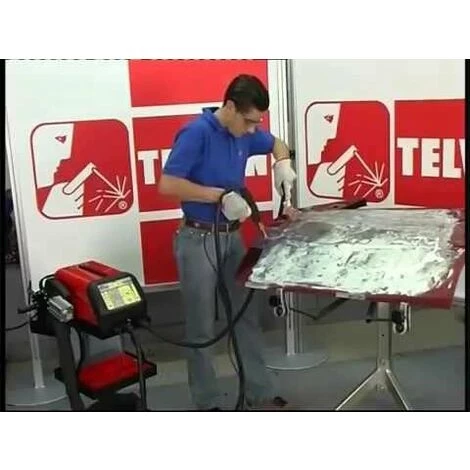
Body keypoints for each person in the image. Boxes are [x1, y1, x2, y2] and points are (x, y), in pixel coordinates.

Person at [159, 74, 297, 410]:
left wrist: (282, 162)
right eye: (249, 121)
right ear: (231, 107)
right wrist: (218, 196)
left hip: (232, 237)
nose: (253, 130)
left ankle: (259, 391)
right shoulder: (197, 133)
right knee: (201, 326)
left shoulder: (245, 132)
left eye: (257, 123)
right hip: (197, 240)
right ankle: (207, 402)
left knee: (245, 315)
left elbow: (276, 142)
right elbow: (168, 184)